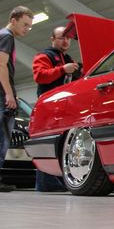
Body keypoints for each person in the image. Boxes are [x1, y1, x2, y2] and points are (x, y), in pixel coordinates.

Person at [32, 26, 81, 192]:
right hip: (48, 105)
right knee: (47, 142)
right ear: (52, 39)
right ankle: (46, 183)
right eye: (61, 37)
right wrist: (62, 70)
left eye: (67, 38)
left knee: (60, 142)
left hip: (63, 106)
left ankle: (55, 181)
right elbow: (40, 76)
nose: (65, 41)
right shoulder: (44, 55)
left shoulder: (68, 58)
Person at [0, 6, 34, 192]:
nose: (27, 29)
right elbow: (1, 66)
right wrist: (8, 94)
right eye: (24, 24)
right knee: (1, 139)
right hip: (1, 94)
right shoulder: (7, 36)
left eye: (29, 26)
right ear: (13, 20)